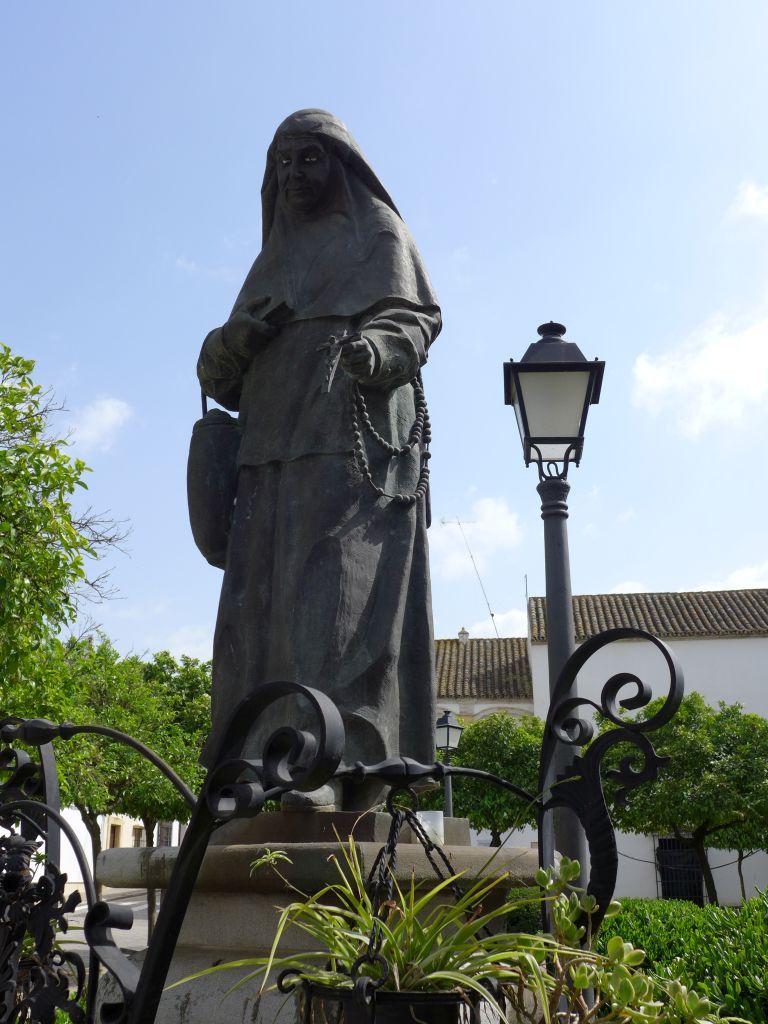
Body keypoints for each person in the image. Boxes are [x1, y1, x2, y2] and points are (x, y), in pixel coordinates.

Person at [195, 109, 441, 810]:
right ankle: (253, 765)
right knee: (254, 620)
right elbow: (217, 372)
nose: (294, 174)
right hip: (266, 456)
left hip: (349, 448)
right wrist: (235, 339)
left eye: (308, 158)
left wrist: (377, 350)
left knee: (335, 605)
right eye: (283, 162)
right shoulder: (271, 259)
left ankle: (331, 764)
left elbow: (414, 320)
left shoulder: (379, 234)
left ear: (340, 164)